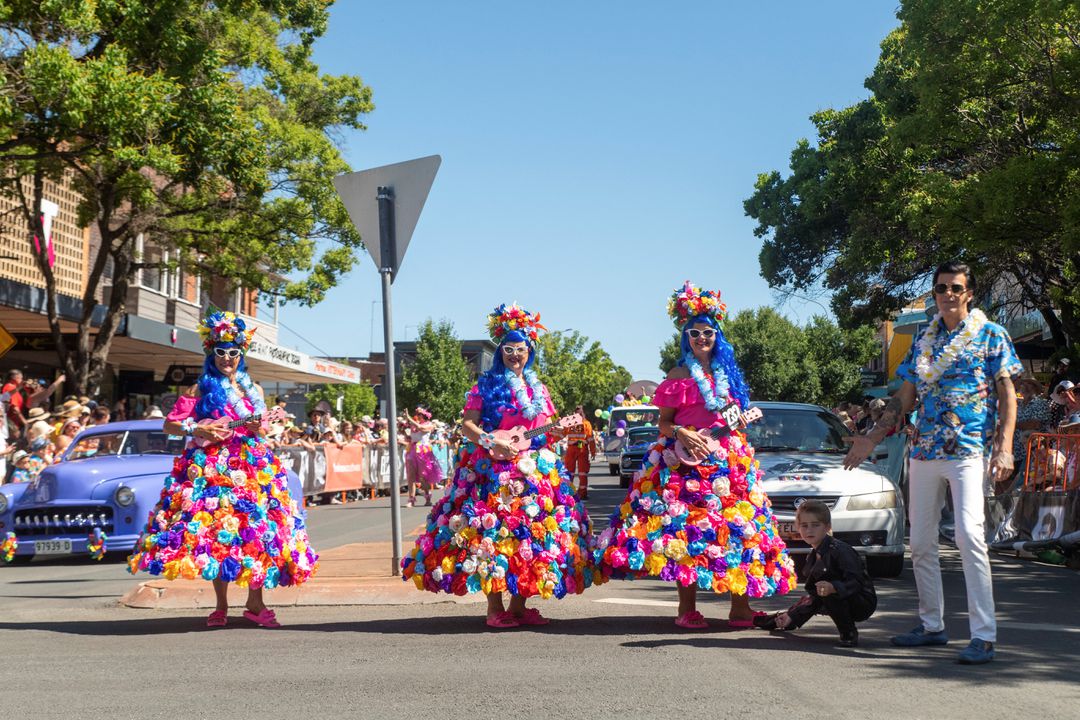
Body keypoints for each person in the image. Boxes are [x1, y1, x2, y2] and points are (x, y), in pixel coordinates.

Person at [844, 261, 1021, 665]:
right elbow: (904, 397)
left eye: (955, 288)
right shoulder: (924, 338)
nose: (947, 295)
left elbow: (1008, 394)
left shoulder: (991, 334)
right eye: (941, 288)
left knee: (969, 536)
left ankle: (983, 635)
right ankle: (931, 625)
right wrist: (871, 437)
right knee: (921, 542)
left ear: (969, 293)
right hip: (924, 451)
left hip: (968, 451)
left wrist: (1005, 447)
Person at [595, 282, 796, 630]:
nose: (702, 338)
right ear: (686, 337)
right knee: (684, 533)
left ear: (717, 336)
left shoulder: (728, 376)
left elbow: (733, 419)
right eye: (695, 333)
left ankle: (740, 608)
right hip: (684, 463)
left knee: (738, 531)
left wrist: (739, 422)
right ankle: (686, 609)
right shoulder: (678, 375)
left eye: (708, 333)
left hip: (726, 463)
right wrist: (682, 432)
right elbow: (663, 422)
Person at [401, 303, 602, 628]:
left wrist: (559, 430)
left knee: (528, 539)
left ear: (529, 351)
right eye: (508, 349)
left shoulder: (539, 389)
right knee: (490, 536)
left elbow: (546, 430)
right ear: (500, 352)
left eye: (520, 349)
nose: (515, 355)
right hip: (492, 471)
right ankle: (495, 609)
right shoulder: (486, 385)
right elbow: (468, 425)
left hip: (534, 473)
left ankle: (519, 607)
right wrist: (490, 441)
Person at [127, 310, 318, 628]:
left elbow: (261, 428)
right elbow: (170, 425)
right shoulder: (199, 389)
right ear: (211, 353)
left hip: (251, 467)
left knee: (257, 532)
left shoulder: (254, 390)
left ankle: (255, 603)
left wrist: (258, 425)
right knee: (219, 535)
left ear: (241, 354)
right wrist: (198, 429)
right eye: (221, 351)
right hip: (212, 470)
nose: (227, 358)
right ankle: (220, 606)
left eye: (233, 352)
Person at [754, 500, 877, 647]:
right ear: (798, 527)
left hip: (861, 601)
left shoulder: (841, 551)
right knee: (822, 590)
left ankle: (848, 633)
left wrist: (834, 587)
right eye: (804, 525)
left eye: (815, 525)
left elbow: (856, 582)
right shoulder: (813, 555)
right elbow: (815, 595)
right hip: (836, 597)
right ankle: (783, 620)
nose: (809, 530)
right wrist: (792, 617)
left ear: (827, 527)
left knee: (826, 590)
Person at [404, 407, 445, 507]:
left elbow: (421, 428)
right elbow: (411, 434)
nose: (417, 416)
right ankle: (411, 499)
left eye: (419, 414)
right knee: (410, 476)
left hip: (423, 451)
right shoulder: (414, 424)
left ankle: (427, 497)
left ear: (424, 416)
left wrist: (409, 418)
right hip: (412, 450)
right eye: (417, 414)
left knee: (423, 477)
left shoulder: (429, 425)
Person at [561, 405, 596, 499]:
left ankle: (568, 493)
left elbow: (562, 433)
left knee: (569, 472)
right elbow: (590, 439)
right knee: (582, 473)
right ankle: (582, 493)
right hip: (582, 449)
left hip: (572, 449)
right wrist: (593, 452)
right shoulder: (586, 423)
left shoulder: (570, 422)